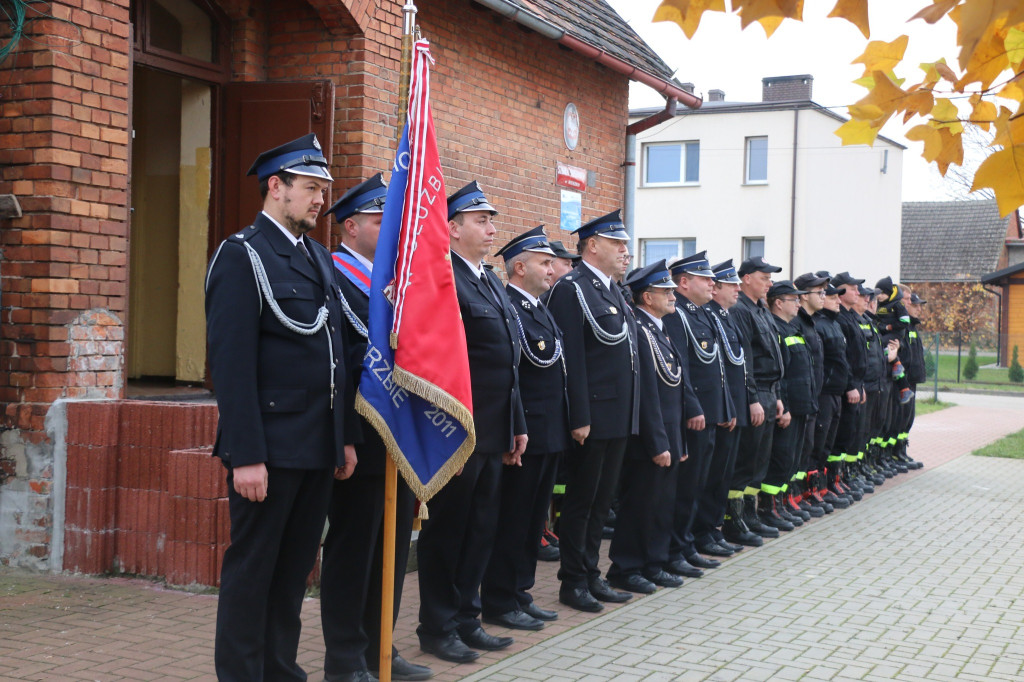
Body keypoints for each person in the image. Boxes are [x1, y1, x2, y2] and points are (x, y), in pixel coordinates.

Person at [206, 134, 357, 681]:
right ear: (276, 187)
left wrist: (341, 438)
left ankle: (280, 670)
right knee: (253, 572)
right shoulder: (242, 254)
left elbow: (334, 354)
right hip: (268, 446)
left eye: (324, 189)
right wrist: (246, 453)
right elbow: (232, 362)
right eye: (311, 188)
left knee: (294, 573)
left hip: (315, 446)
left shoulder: (317, 256)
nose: (320, 199)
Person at [320, 174, 432, 682]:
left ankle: (379, 648)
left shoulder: (392, 283)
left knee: (389, 547)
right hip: (362, 436)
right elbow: (338, 364)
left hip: (399, 436)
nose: (392, 228)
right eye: (380, 219)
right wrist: (343, 436)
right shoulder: (335, 276)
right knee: (353, 551)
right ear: (351, 227)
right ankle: (345, 658)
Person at [416, 181, 528, 664]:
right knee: (448, 533)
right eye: (481, 220)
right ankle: (438, 627)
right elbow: (437, 362)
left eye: (491, 220)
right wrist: (450, 438)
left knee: (481, 529)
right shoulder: (445, 280)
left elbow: (508, 363)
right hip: (459, 434)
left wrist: (516, 423)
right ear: (452, 227)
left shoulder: (488, 281)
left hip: (494, 431)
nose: (491, 229)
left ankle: (467, 618)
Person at [546, 209, 638, 613]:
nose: (626, 252)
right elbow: (573, 358)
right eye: (618, 244)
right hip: (594, 416)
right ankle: (573, 581)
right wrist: (579, 415)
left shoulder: (612, 289)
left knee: (602, 502)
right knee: (582, 502)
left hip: (618, 414)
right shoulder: (573, 288)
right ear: (593, 246)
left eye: (626, 245)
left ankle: (591, 573)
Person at [480, 226, 568, 631]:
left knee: (533, 520)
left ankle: (521, 592)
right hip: (523, 430)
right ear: (519, 267)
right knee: (513, 520)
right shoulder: (509, 306)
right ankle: (500, 599)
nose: (552, 270)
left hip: (548, 430)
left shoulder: (538, 306)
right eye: (544, 262)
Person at [606, 260, 687, 594]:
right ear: (647, 297)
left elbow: (675, 386)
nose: (673, 295)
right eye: (665, 291)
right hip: (650, 436)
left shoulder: (657, 327)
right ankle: (626, 568)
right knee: (640, 505)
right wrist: (658, 442)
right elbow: (647, 392)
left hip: (668, 431)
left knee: (661, 504)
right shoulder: (639, 327)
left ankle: (653, 562)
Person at [663, 251, 735, 576]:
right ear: (683, 282)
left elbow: (719, 368)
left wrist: (726, 407)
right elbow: (682, 368)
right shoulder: (677, 314)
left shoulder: (703, 314)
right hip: (692, 416)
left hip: (709, 413)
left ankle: (687, 543)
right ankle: (675, 549)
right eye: (705, 278)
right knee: (685, 488)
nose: (712, 283)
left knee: (700, 484)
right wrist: (692, 407)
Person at [705, 259, 762, 549]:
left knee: (724, 474)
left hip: (735, 406)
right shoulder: (710, 316)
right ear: (715, 289)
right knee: (715, 476)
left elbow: (739, 364)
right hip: (724, 409)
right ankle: (708, 531)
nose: (738, 289)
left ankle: (714, 530)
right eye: (731, 284)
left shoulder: (726, 317)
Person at [728, 256, 786, 536]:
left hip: (768, 391)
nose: (769, 284)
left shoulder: (761, 310)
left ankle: (750, 514)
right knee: (746, 459)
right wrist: (752, 399)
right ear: (747, 278)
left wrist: (776, 395)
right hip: (754, 392)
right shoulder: (741, 310)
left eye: (770, 278)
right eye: (764, 278)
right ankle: (733, 520)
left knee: (760, 461)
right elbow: (745, 361)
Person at [760, 280, 816, 529]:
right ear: (779, 303)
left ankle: (782, 503)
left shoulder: (792, 328)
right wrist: (786, 406)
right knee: (780, 459)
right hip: (788, 408)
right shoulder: (777, 330)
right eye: (794, 300)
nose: (798, 303)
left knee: (792, 459)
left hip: (802, 405)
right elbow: (779, 374)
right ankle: (768, 508)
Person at [807, 278, 852, 511]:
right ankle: (810, 491)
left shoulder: (834, 323)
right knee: (817, 445)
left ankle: (822, 487)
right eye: (831, 296)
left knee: (827, 445)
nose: (835, 301)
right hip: (823, 393)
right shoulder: (818, 324)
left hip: (835, 392)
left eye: (833, 296)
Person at [830, 272, 869, 504]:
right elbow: (843, 359)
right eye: (853, 288)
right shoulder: (841, 319)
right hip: (846, 389)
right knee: (841, 435)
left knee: (849, 434)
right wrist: (851, 385)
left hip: (856, 386)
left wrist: (858, 384)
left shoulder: (850, 317)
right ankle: (833, 481)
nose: (858, 292)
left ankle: (841, 477)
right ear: (842, 292)